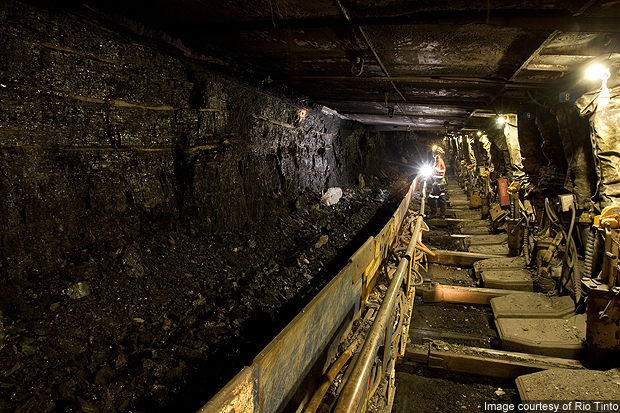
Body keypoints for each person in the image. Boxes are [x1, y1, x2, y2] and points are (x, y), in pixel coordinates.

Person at [428, 146, 447, 219]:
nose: (433, 153)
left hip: (439, 182)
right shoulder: (438, 160)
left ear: (438, 153)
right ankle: (442, 214)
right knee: (441, 197)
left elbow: (439, 170)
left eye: (434, 152)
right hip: (440, 182)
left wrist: (435, 170)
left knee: (431, 197)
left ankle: (433, 213)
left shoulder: (439, 161)